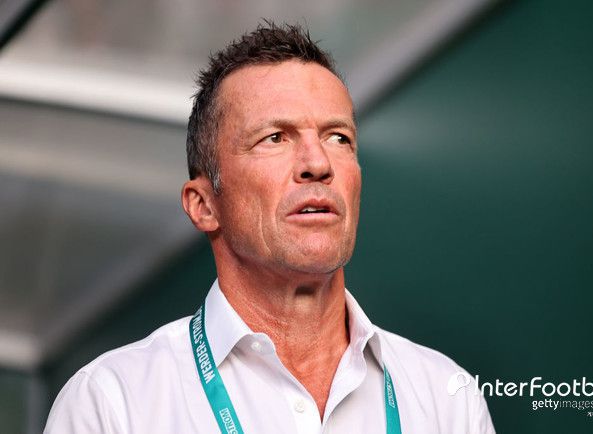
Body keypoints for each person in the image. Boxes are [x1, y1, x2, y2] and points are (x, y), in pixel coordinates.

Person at [44, 22, 495, 434]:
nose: (318, 163)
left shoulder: (447, 400)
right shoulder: (114, 404)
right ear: (204, 205)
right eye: (275, 138)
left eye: (338, 137)